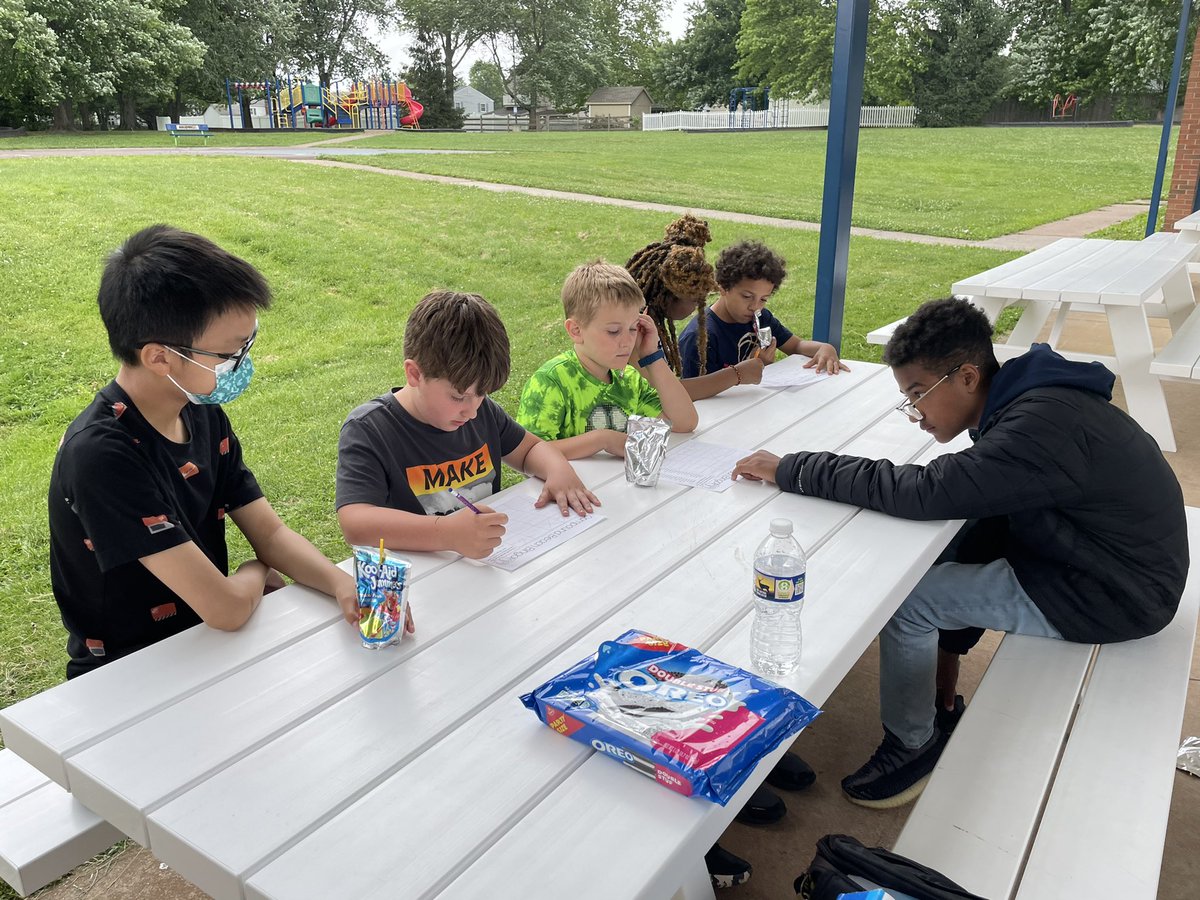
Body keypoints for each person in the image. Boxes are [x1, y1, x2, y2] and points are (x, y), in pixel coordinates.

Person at [731, 296, 1189, 809]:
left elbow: (922, 492)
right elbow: (994, 516)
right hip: (1092, 556)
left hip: (1114, 592)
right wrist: (951, 647)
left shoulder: (1036, 431)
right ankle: (934, 708)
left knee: (911, 601)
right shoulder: (1035, 401)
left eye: (918, 394)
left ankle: (912, 744)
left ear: (968, 378)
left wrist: (791, 468)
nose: (915, 414)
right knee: (947, 549)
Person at [48, 225, 380, 680]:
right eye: (228, 356)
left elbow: (271, 532)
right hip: (130, 674)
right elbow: (225, 606)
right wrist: (254, 568)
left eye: (247, 344)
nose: (241, 364)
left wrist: (342, 583)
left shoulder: (199, 410)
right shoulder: (101, 457)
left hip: (213, 647)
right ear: (159, 358)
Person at [337, 290, 599, 559]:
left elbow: (530, 450)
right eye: (458, 396)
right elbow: (355, 522)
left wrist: (557, 469)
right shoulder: (370, 429)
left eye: (482, 394)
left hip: (483, 568)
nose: (471, 411)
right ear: (415, 374)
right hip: (420, 579)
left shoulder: (481, 412)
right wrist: (445, 533)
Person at [516, 261, 698, 459]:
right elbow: (529, 454)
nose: (627, 342)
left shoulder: (629, 379)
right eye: (613, 331)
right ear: (576, 331)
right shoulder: (550, 382)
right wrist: (602, 440)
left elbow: (684, 423)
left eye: (633, 328)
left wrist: (652, 356)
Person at [626, 215, 767, 400]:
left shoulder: (650, 321)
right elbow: (661, 393)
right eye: (695, 300)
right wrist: (735, 375)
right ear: (670, 297)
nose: (696, 307)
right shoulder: (633, 331)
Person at [680, 240, 847, 379]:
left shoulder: (760, 318)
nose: (755, 306)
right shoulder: (700, 337)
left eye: (763, 299)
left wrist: (825, 348)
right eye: (746, 296)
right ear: (722, 287)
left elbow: (797, 345)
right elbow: (694, 394)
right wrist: (749, 369)